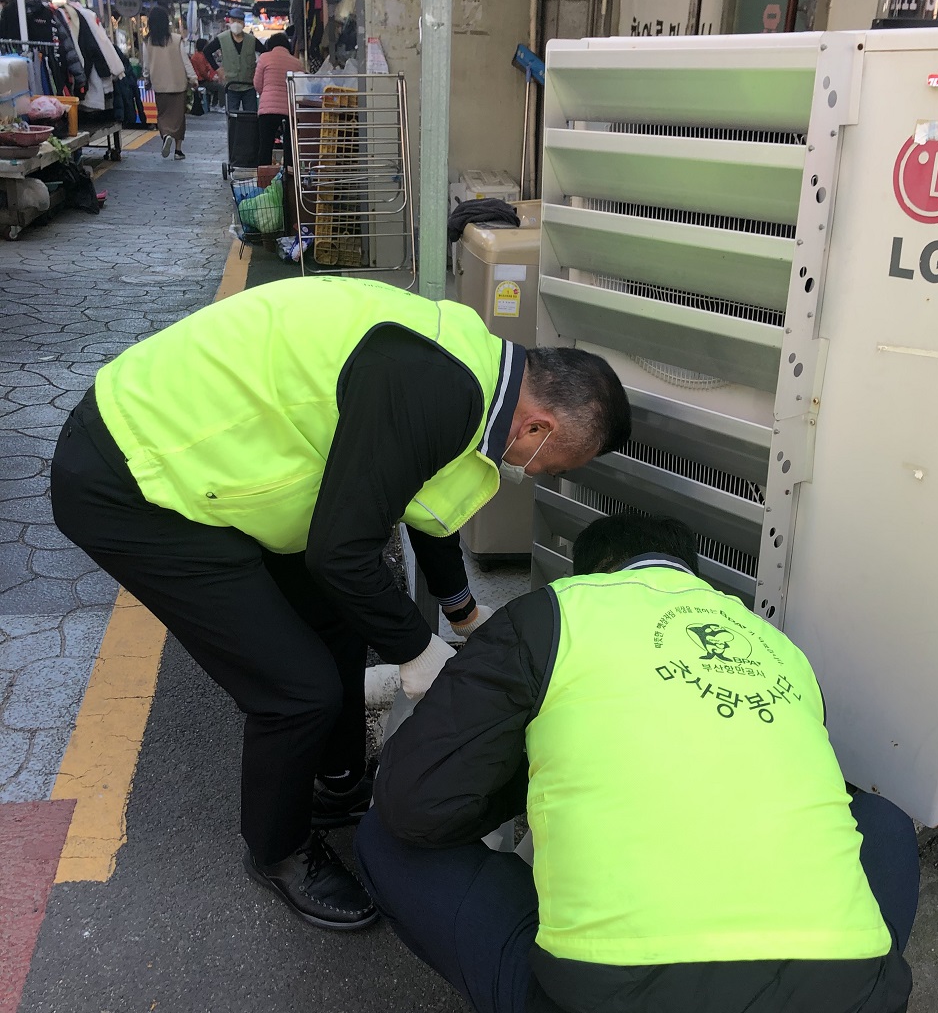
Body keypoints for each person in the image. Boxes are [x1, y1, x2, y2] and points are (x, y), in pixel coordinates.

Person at [49, 278, 631, 934]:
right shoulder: (435, 390)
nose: (540, 473)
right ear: (539, 426)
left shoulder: (475, 367)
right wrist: (417, 651)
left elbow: (420, 504)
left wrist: (464, 615)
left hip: (201, 461)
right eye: (552, 464)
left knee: (335, 621)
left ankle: (339, 780)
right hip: (133, 473)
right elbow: (340, 553)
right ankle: (279, 852)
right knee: (296, 689)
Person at [356, 512, 919, 1013]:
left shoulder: (559, 610)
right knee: (881, 824)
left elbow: (414, 802)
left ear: (591, 573)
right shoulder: (777, 648)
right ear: (695, 578)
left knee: (386, 837)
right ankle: (835, 997)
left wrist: (540, 775)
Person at [142, 6, 196, 161]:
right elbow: (185, 61)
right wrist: (193, 78)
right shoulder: (176, 39)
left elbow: (146, 64)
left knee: (163, 115)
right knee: (178, 117)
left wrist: (146, 78)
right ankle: (178, 151)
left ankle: (166, 135)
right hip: (178, 83)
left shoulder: (147, 41)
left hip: (159, 84)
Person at [253, 31, 303, 167]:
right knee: (289, 147)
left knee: (265, 146)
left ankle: (264, 181)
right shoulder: (297, 63)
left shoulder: (264, 58)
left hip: (267, 109)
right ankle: (289, 181)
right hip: (289, 110)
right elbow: (300, 88)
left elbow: (257, 84)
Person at [204, 10, 265, 113]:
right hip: (230, 85)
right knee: (232, 117)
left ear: (244, 23)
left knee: (251, 116)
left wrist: (259, 69)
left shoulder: (252, 40)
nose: (236, 24)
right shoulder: (222, 38)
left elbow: (265, 52)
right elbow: (207, 51)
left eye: (239, 21)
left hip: (249, 85)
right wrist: (217, 69)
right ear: (230, 22)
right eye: (234, 21)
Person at [190, 38, 221, 110]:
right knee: (220, 87)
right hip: (201, 81)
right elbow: (203, 72)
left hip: (201, 79)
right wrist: (211, 78)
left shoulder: (198, 55)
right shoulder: (200, 57)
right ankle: (217, 105)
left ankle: (213, 104)